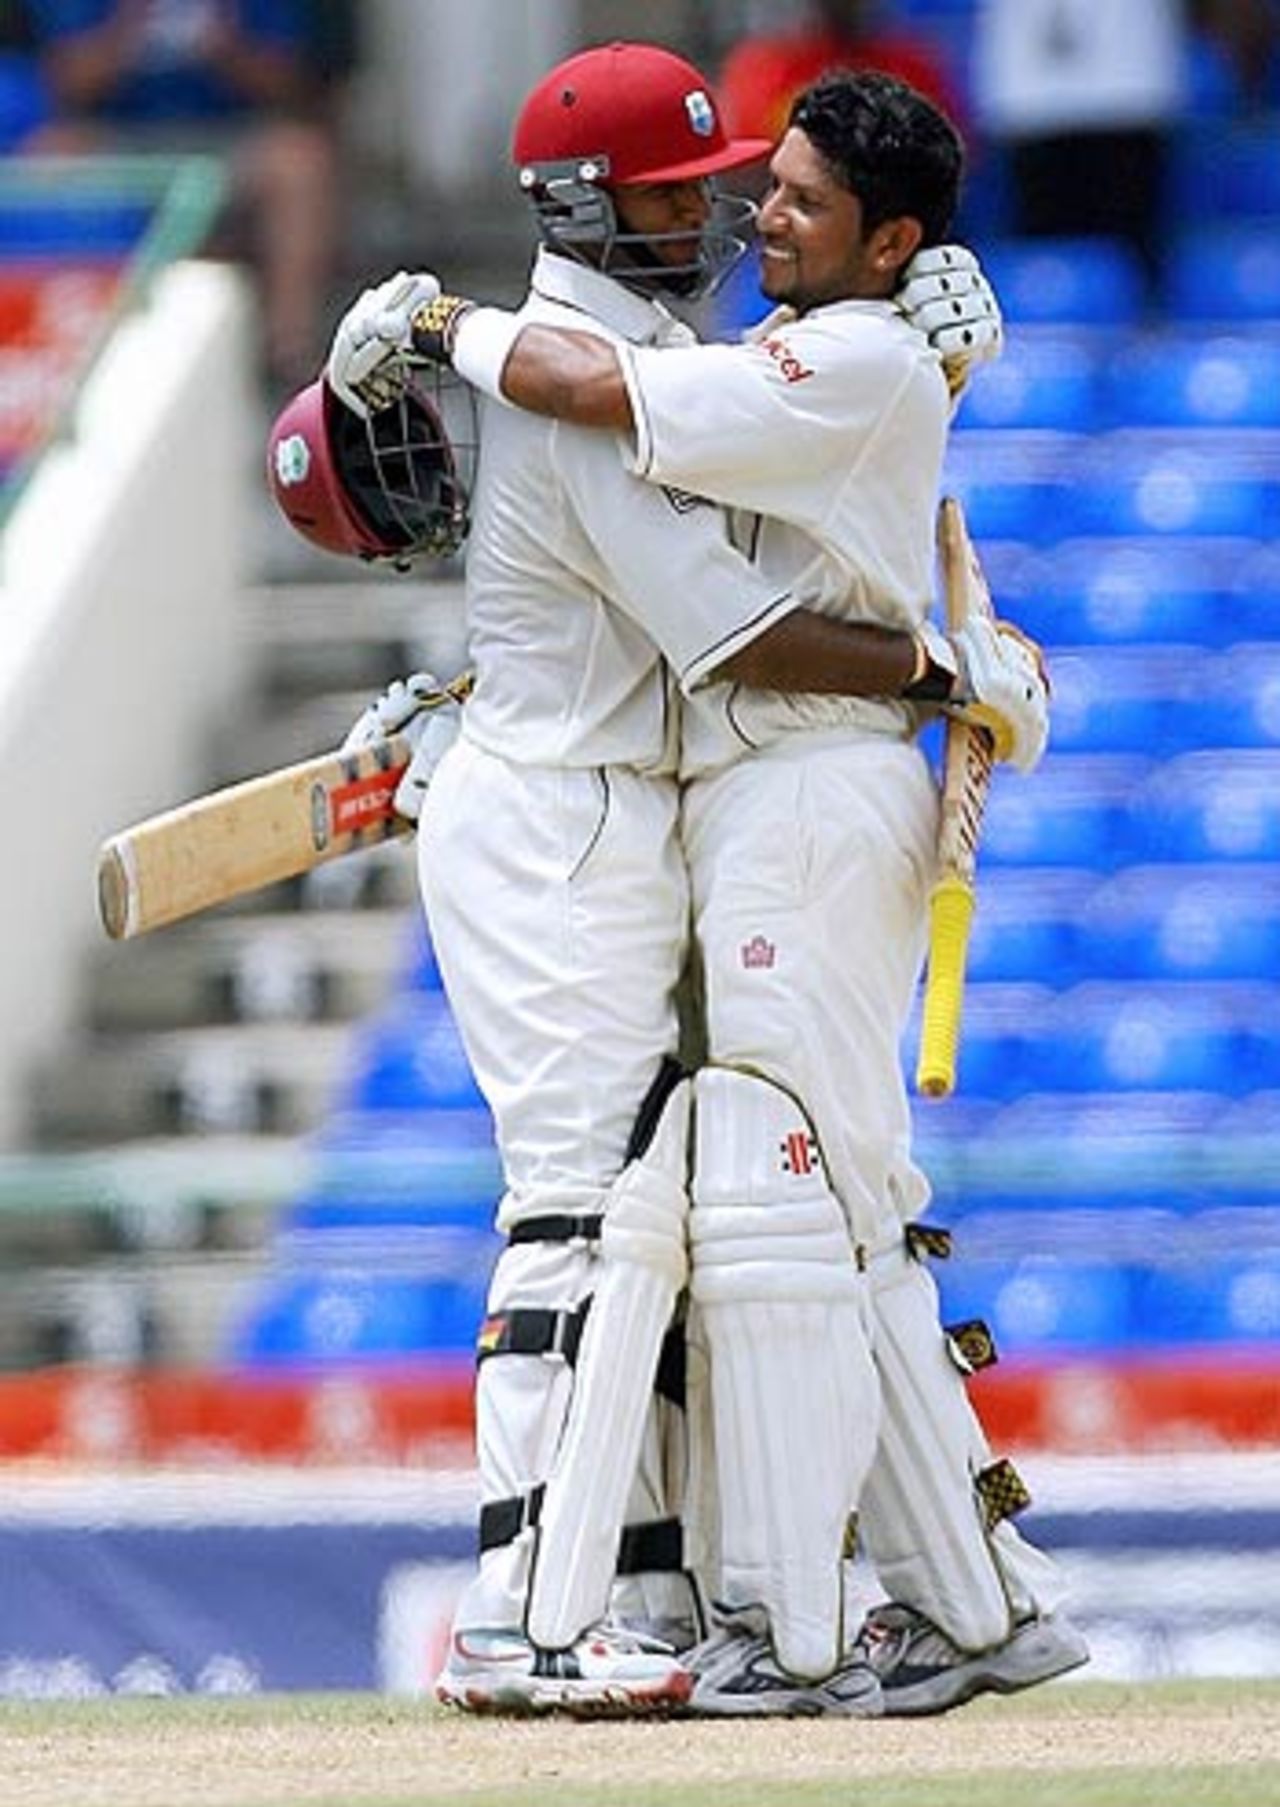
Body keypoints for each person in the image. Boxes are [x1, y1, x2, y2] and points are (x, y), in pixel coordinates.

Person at [326, 55, 1088, 1720]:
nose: (730, 212)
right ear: (592, 204)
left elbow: (787, 398)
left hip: (691, 815)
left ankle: (758, 1600)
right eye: (689, 192)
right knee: (610, 1217)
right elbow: (731, 620)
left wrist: (931, 343)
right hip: (577, 823)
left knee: (762, 1214)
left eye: (768, 190)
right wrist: (947, 666)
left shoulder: (683, 353)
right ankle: (532, 1612)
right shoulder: (576, 375)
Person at [26, 1, 342, 387]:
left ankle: (289, 353)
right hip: (123, 141)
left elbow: (290, 85)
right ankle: (67, 353)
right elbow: (65, 81)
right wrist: (127, 29)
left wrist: (227, 46)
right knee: (49, 156)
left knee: (300, 162)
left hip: (229, 136)